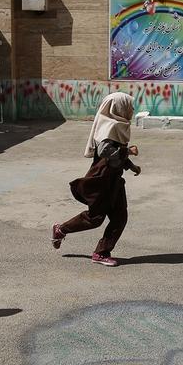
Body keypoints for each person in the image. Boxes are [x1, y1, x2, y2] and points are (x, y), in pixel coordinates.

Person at [51, 92, 141, 267]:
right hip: (103, 179)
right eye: (129, 105)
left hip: (114, 179)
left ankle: (101, 253)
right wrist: (127, 151)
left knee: (120, 217)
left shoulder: (119, 125)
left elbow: (116, 153)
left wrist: (131, 166)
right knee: (96, 218)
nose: (132, 109)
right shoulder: (110, 126)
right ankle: (60, 229)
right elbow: (106, 152)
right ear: (119, 107)